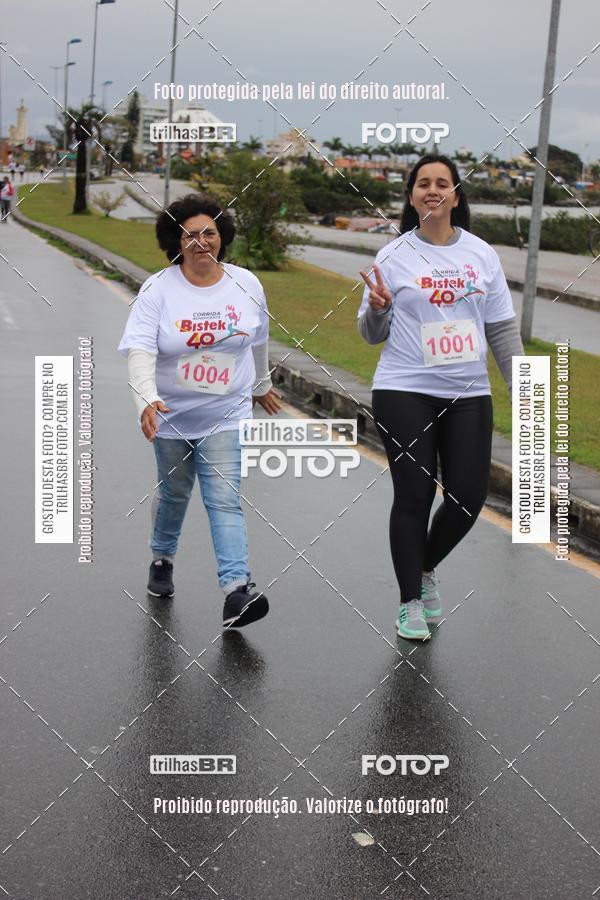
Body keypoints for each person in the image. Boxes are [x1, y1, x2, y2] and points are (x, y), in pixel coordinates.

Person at [358, 155, 523, 640]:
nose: (433, 190)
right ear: (411, 195)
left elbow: (501, 331)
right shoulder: (394, 255)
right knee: (414, 494)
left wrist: (525, 392)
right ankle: (410, 600)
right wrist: (377, 309)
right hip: (404, 389)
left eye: (443, 184)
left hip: (469, 393)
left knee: (469, 499)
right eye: (423, 183)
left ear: (455, 195)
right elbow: (370, 334)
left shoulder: (481, 255)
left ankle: (424, 568)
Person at [118, 194, 282, 628]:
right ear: (176, 240)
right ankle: (161, 558)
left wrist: (261, 386)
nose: (201, 241)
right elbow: (139, 349)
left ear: (222, 237)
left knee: (224, 500)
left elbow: (258, 340)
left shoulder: (246, 284)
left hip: (224, 412)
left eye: (209, 232)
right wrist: (146, 399)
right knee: (174, 495)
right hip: (171, 414)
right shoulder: (158, 287)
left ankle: (237, 591)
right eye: (190, 234)